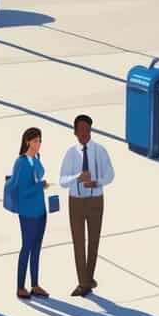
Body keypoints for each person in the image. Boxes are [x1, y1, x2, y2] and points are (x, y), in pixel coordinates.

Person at [58, 114, 114, 297]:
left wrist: (97, 182)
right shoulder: (70, 154)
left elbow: (110, 175)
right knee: (79, 242)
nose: (84, 133)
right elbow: (62, 180)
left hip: (96, 200)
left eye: (87, 129)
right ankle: (83, 282)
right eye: (80, 130)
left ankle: (88, 278)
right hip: (76, 201)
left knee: (94, 241)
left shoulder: (100, 151)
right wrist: (77, 178)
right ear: (75, 132)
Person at [11, 127, 49, 300]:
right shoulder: (21, 162)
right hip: (28, 213)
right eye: (35, 141)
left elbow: (40, 173)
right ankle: (20, 286)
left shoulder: (35, 159)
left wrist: (37, 158)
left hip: (40, 210)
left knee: (37, 248)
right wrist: (39, 186)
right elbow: (19, 189)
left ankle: (35, 284)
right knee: (26, 247)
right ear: (27, 141)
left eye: (40, 141)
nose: (38, 144)